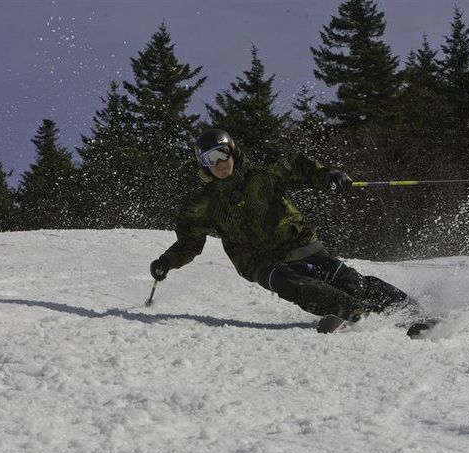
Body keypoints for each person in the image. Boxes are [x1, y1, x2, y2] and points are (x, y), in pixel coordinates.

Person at [149, 128, 419, 333]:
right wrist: (167, 261)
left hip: (297, 243)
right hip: (258, 261)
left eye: (223, 154)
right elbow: (189, 241)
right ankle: (350, 310)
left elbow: (300, 168)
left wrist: (329, 175)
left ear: (233, 151)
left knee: (351, 282)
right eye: (210, 159)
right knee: (291, 284)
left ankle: (413, 316)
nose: (219, 164)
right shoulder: (204, 203)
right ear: (203, 165)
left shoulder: (261, 176)